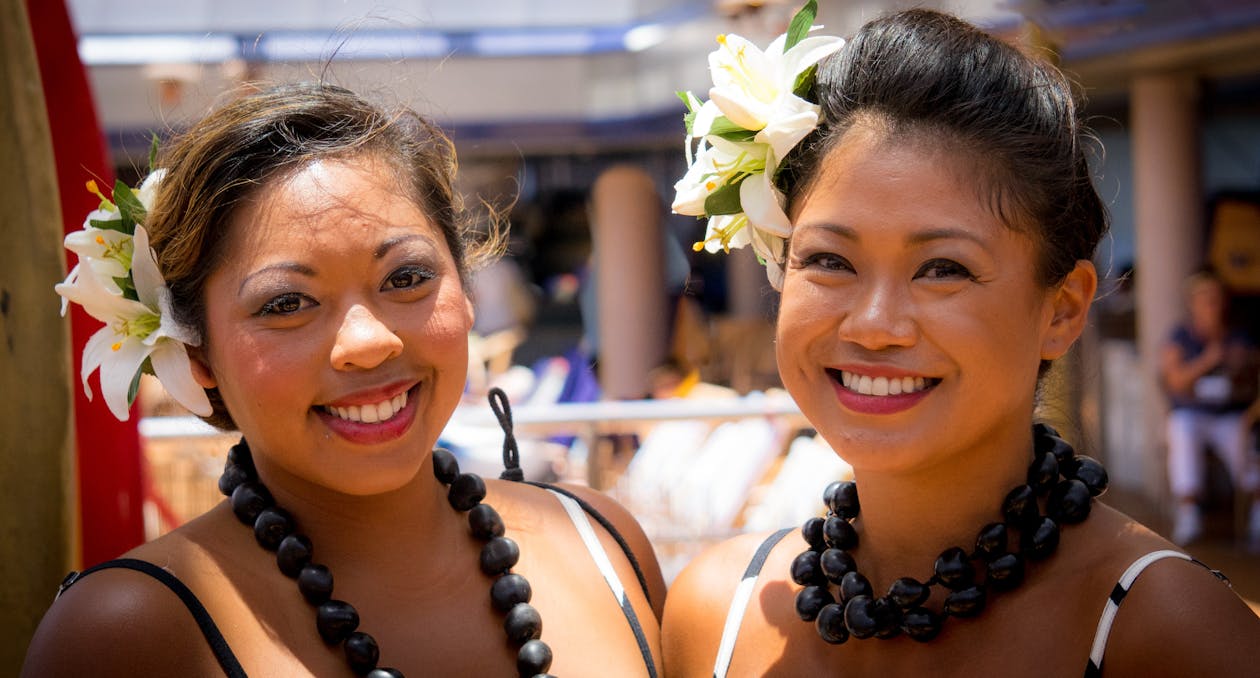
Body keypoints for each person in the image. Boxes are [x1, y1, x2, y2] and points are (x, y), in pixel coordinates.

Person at [663, 5, 1260, 676]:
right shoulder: (714, 614)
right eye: (830, 260)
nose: (874, 325)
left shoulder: (1168, 632)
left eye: (942, 269)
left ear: (1062, 310)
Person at [24, 83, 665, 677]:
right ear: (197, 355)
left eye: (406, 278)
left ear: (466, 292)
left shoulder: (605, 544)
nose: (369, 342)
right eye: (286, 304)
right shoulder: (127, 633)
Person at [1160, 268, 1260, 546]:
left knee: (1247, 441)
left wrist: (1243, 365)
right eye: (1204, 298)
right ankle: (1189, 511)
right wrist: (1208, 359)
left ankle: (1257, 513)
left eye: (1215, 297)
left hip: (1230, 416)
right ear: (1192, 303)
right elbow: (1174, 382)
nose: (1211, 305)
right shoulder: (1180, 336)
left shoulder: (1239, 336)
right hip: (1192, 414)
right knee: (1181, 428)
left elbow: (1251, 384)